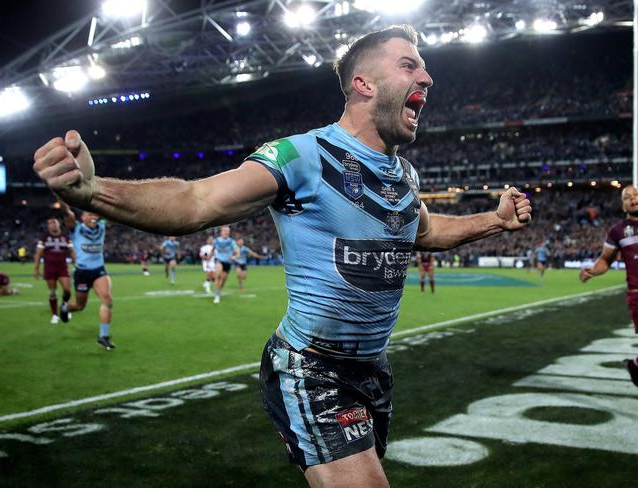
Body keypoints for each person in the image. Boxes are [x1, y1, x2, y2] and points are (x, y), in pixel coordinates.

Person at [33, 25, 532, 487]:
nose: (427, 76)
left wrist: (495, 220)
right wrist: (94, 192)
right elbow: (196, 201)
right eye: (409, 65)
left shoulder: (404, 176)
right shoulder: (300, 156)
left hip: (374, 370)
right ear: (363, 83)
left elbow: (425, 231)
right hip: (311, 368)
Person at [580, 185, 638, 387]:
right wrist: (592, 271)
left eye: (636, 194)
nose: (633, 198)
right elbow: (606, 259)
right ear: (623, 206)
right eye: (627, 197)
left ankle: (635, 365)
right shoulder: (618, 231)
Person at [58, 202, 115, 351]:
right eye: (89, 214)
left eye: (94, 214)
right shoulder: (76, 228)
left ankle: (103, 336)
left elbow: (114, 213)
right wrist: (62, 198)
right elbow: (67, 213)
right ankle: (66, 307)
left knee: (107, 299)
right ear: (82, 217)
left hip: (98, 270)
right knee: (79, 306)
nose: (93, 216)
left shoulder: (102, 226)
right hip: (82, 273)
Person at [33, 216, 76, 324]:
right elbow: (38, 253)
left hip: (62, 267)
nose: (52, 225)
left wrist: (77, 264)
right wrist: (36, 268)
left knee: (67, 289)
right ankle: (55, 315)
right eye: (49, 224)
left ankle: (64, 307)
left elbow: (72, 251)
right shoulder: (44, 237)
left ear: (58, 224)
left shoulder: (65, 237)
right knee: (52, 292)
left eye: (54, 223)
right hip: (49, 268)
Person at [207, 226, 239, 304]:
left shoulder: (232, 241)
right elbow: (212, 250)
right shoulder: (216, 241)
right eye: (225, 231)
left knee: (223, 279)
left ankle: (218, 291)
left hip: (228, 262)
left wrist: (235, 256)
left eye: (228, 231)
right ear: (221, 232)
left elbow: (237, 251)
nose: (226, 232)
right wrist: (208, 260)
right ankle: (217, 295)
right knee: (218, 275)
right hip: (219, 260)